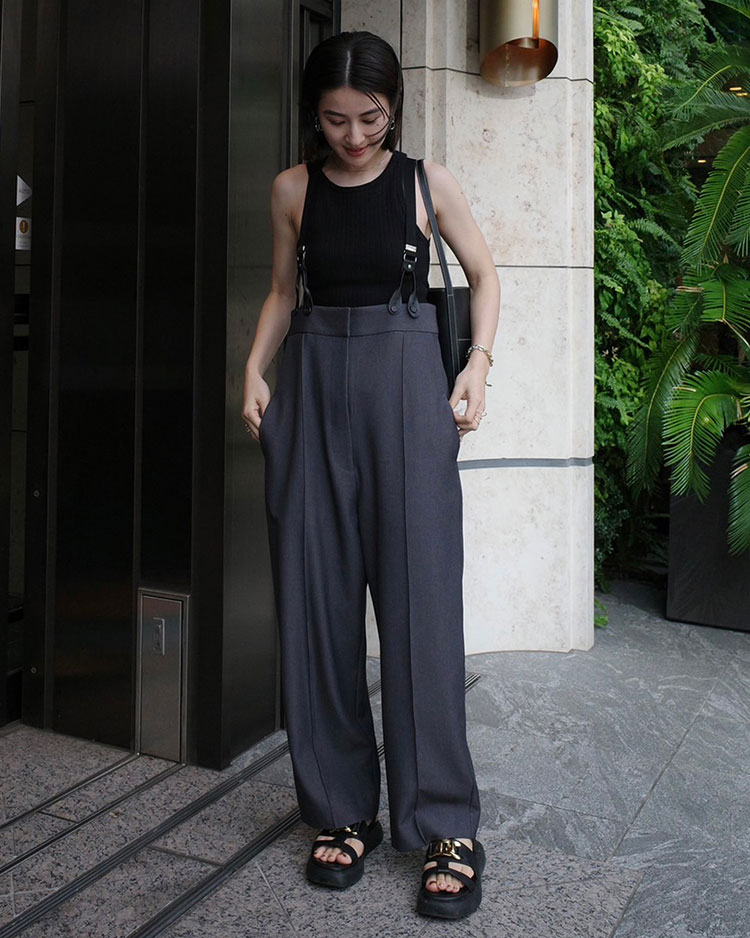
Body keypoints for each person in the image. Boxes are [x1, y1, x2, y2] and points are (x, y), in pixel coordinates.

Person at [242, 30, 500, 921]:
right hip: (312, 393)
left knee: (422, 605)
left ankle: (446, 826)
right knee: (314, 604)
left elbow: (484, 274)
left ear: (394, 110)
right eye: (335, 120)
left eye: (371, 119)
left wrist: (477, 367)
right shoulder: (293, 189)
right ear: (313, 115)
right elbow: (284, 292)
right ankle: (340, 809)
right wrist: (253, 370)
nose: (353, 136)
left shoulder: (428, 185)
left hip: (406, 398)